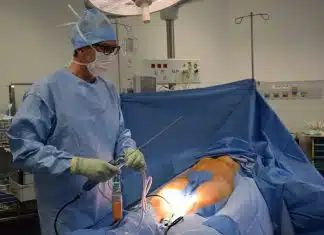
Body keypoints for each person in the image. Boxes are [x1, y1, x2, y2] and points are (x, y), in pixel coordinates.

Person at [7, 8, 145, 235]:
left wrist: (129, 149)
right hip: (65, 214)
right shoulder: (46, 91)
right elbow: (24, 150)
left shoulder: (108, 90)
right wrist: (76, 164)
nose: (111, 56)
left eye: (114, 49)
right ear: (81, 49)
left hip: (106, 209)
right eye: (105, 49)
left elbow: (119, 132)